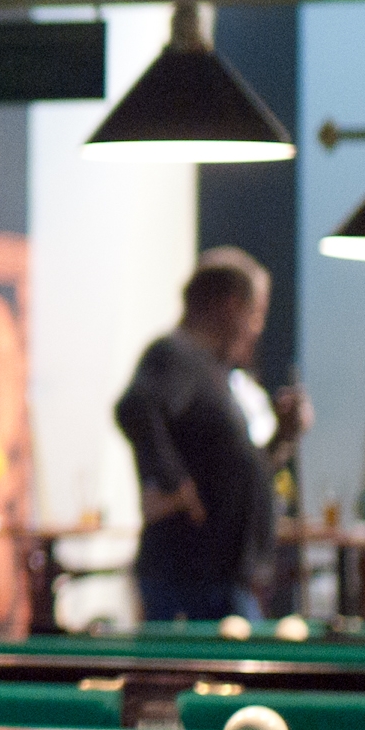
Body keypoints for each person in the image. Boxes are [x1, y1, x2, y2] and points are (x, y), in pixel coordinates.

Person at [116, 249, 310, 623]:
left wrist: (283, 437)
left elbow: (233, 469)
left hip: (219, 578)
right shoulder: (176, 354)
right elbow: (135, 407)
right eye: (256, 312)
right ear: (232, 306)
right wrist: (175, 484)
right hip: (190, 577)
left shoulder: (212, 371)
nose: (257, 327)